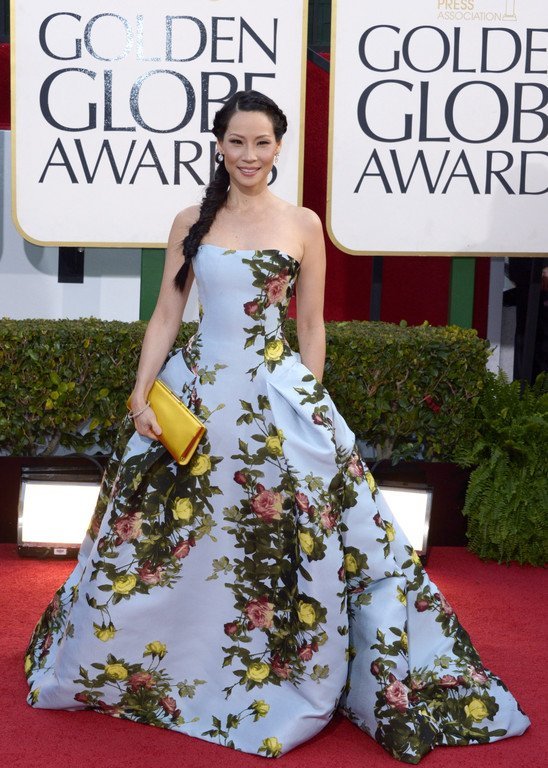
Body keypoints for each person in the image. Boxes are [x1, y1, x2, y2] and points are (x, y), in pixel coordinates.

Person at [25, 91, 529, 763]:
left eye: (261, 143)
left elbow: (311, 326)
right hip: (195, 398)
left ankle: (275, 666)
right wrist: (139, 395)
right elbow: (166, 315)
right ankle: (155, 665)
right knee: (166, 536)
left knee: (282, 535)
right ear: (218, 146)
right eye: (237, 142)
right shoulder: (190, 222)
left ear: (279, 147)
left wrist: (309, 406)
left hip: (274, 400)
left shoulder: (302, 224)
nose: (249, 155)